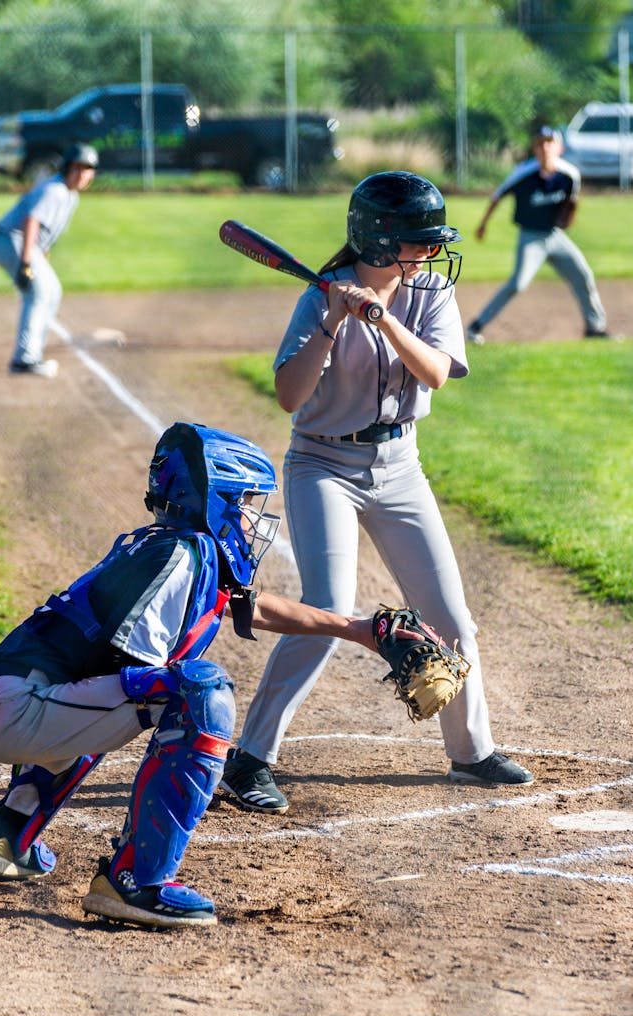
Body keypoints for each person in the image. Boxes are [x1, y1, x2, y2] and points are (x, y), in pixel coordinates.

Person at [0, 422, 411, 930]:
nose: (247, 518)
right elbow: (133, 671)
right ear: (212, 497)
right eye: (240, 502)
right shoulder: (182, 555)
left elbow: (246, 607)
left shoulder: (163, 547)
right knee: (198, 690)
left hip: (0, 695)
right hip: (21, 709)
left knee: (119, 694)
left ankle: (7, 832)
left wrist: (358, 629)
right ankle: (137, 881)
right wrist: (183, 735)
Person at [220, 170, 533, 816]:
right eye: (419, 240)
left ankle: (471, 751)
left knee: (450, 617)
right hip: (321, 465)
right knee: (328, 605)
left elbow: (438, 373)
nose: (430, 251)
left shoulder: (431, 292)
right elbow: (288, 397)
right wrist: (335, 319)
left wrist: (383, 319)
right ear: (382, 241)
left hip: (400, 467)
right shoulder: (319, 299)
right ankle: (249, 757)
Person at [466, 125, 610, 345]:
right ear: (534, 148)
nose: (545, 147)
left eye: (549, 142)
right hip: (531, 237)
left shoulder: (569, 174)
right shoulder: (523, 173)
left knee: (584, 275)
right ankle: (476, 326)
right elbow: (497, 196)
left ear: (559, 147)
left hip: (555, 236)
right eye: (540, 143)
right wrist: (483, 224)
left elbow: (572, 201)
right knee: (518, 283)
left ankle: (595, 327)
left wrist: (569, 216)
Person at [0, 142, 99, 378]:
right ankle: (25, 359)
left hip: (21, 244)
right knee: (38, 293)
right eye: (77, 168)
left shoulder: (70, 196)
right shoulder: (55, 190)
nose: (81, 174)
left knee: (53, 290)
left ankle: (33, 352)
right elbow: (32, 221)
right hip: (11, 240)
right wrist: (26, 262)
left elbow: (46, 236)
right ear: (67, 168)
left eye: (87, 169)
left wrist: (39, 260)